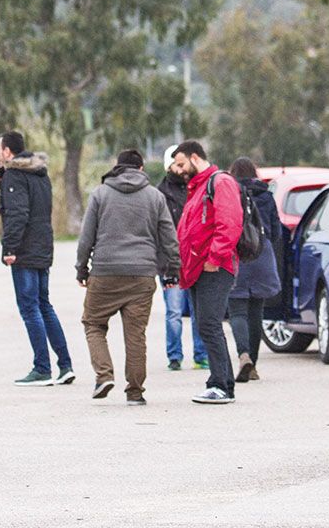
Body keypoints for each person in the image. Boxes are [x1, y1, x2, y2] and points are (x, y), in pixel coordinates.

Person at [74, 149, 180, 406]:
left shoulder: (101, 194)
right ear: (141, 169)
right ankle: (135, 392)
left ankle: (104, 375)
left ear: (117, 167)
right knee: (136, 334)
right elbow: (169, 236)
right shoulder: (155, 196)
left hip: (106, 272)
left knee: (94, 323)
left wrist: (81, 268)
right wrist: (173, 269)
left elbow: (86, 236)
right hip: (142, 274)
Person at [0, 131, 74, 387]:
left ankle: (42, 368)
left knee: (29, 308)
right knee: (44, 305)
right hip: (42, 247)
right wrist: (1, 183)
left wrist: (9, 248)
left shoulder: (15, 175)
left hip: (25, 251)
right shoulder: (39, 174)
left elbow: (17, 213)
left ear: (8, 152)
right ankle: (65, 365)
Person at [170, 141, 243, 405]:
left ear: (194, 157)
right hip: (198, 269)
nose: (177, 170)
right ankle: (220, 382)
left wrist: (215, 257)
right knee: (205, 325)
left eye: (180, 164)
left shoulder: (219, 182)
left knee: (210, 325)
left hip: (215, 267)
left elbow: (229, 222)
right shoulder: (198, 187)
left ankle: (221, 385)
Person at [226, 157, 283, 384]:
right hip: (261, 254)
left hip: (236, 254)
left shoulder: (229, 193)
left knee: (237, 310)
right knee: (256, 312)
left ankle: (243, 356)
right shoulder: (266, 195)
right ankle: (254, 365)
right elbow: (277, 231)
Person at [157, 146, 207, 371]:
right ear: (169, 166)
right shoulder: (161, 194)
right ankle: (174, 355)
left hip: (195, 258)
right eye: (177, 165)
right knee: (174, 311)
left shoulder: (198, 187)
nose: (181, 169)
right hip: (171, 261)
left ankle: (201, 354)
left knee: (198, 310)